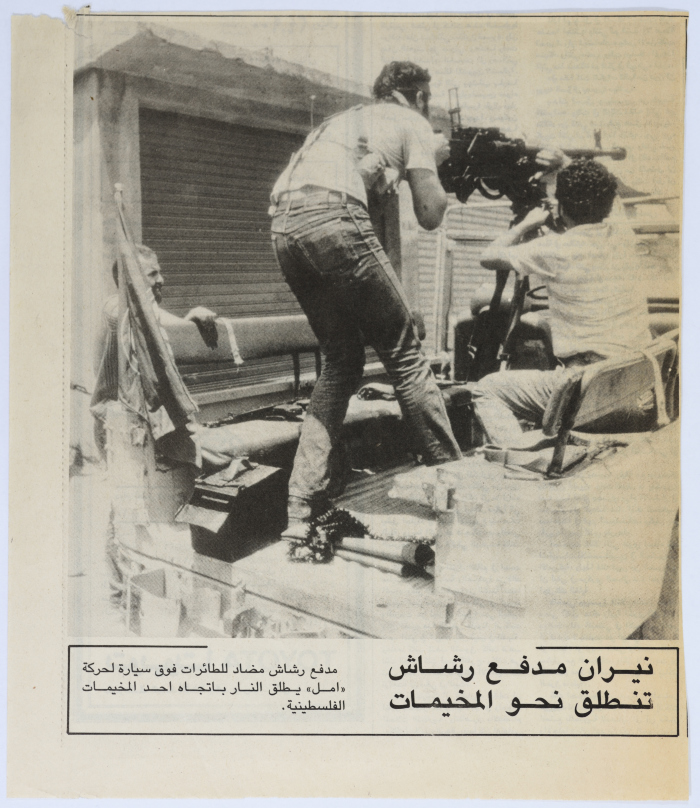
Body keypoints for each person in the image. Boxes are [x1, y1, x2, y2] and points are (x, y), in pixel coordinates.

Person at [269, 61, 463, 537]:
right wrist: (435, 158)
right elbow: (431, 213)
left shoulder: (344, 123)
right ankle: (463, 488)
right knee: (406, 354)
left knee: (341, 362)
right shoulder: (412, 122)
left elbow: (370, 205)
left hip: (284, 227)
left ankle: (300, 504)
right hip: (333, 216)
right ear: (416, 97)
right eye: (427, 102)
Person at [471, 158, 652, 449]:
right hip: (641, 396)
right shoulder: (624, 236)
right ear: (607, 203)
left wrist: (528, 223)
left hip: (592, 403)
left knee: (487, 389)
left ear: (563, 207)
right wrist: (567, 163)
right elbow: (612, 198)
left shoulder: (553, 249)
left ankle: (525, 462)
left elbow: (488, 256)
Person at [91, 243, 217, 456]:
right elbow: (141, 320)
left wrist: (188, 321)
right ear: (132, 281)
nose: (162, 280)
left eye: (160, 272)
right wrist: (190, 317)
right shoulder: (114, 308)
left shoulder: (141, 313)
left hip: (139, 423)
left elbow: (156, 329)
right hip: (116, 426)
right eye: (153, 274)